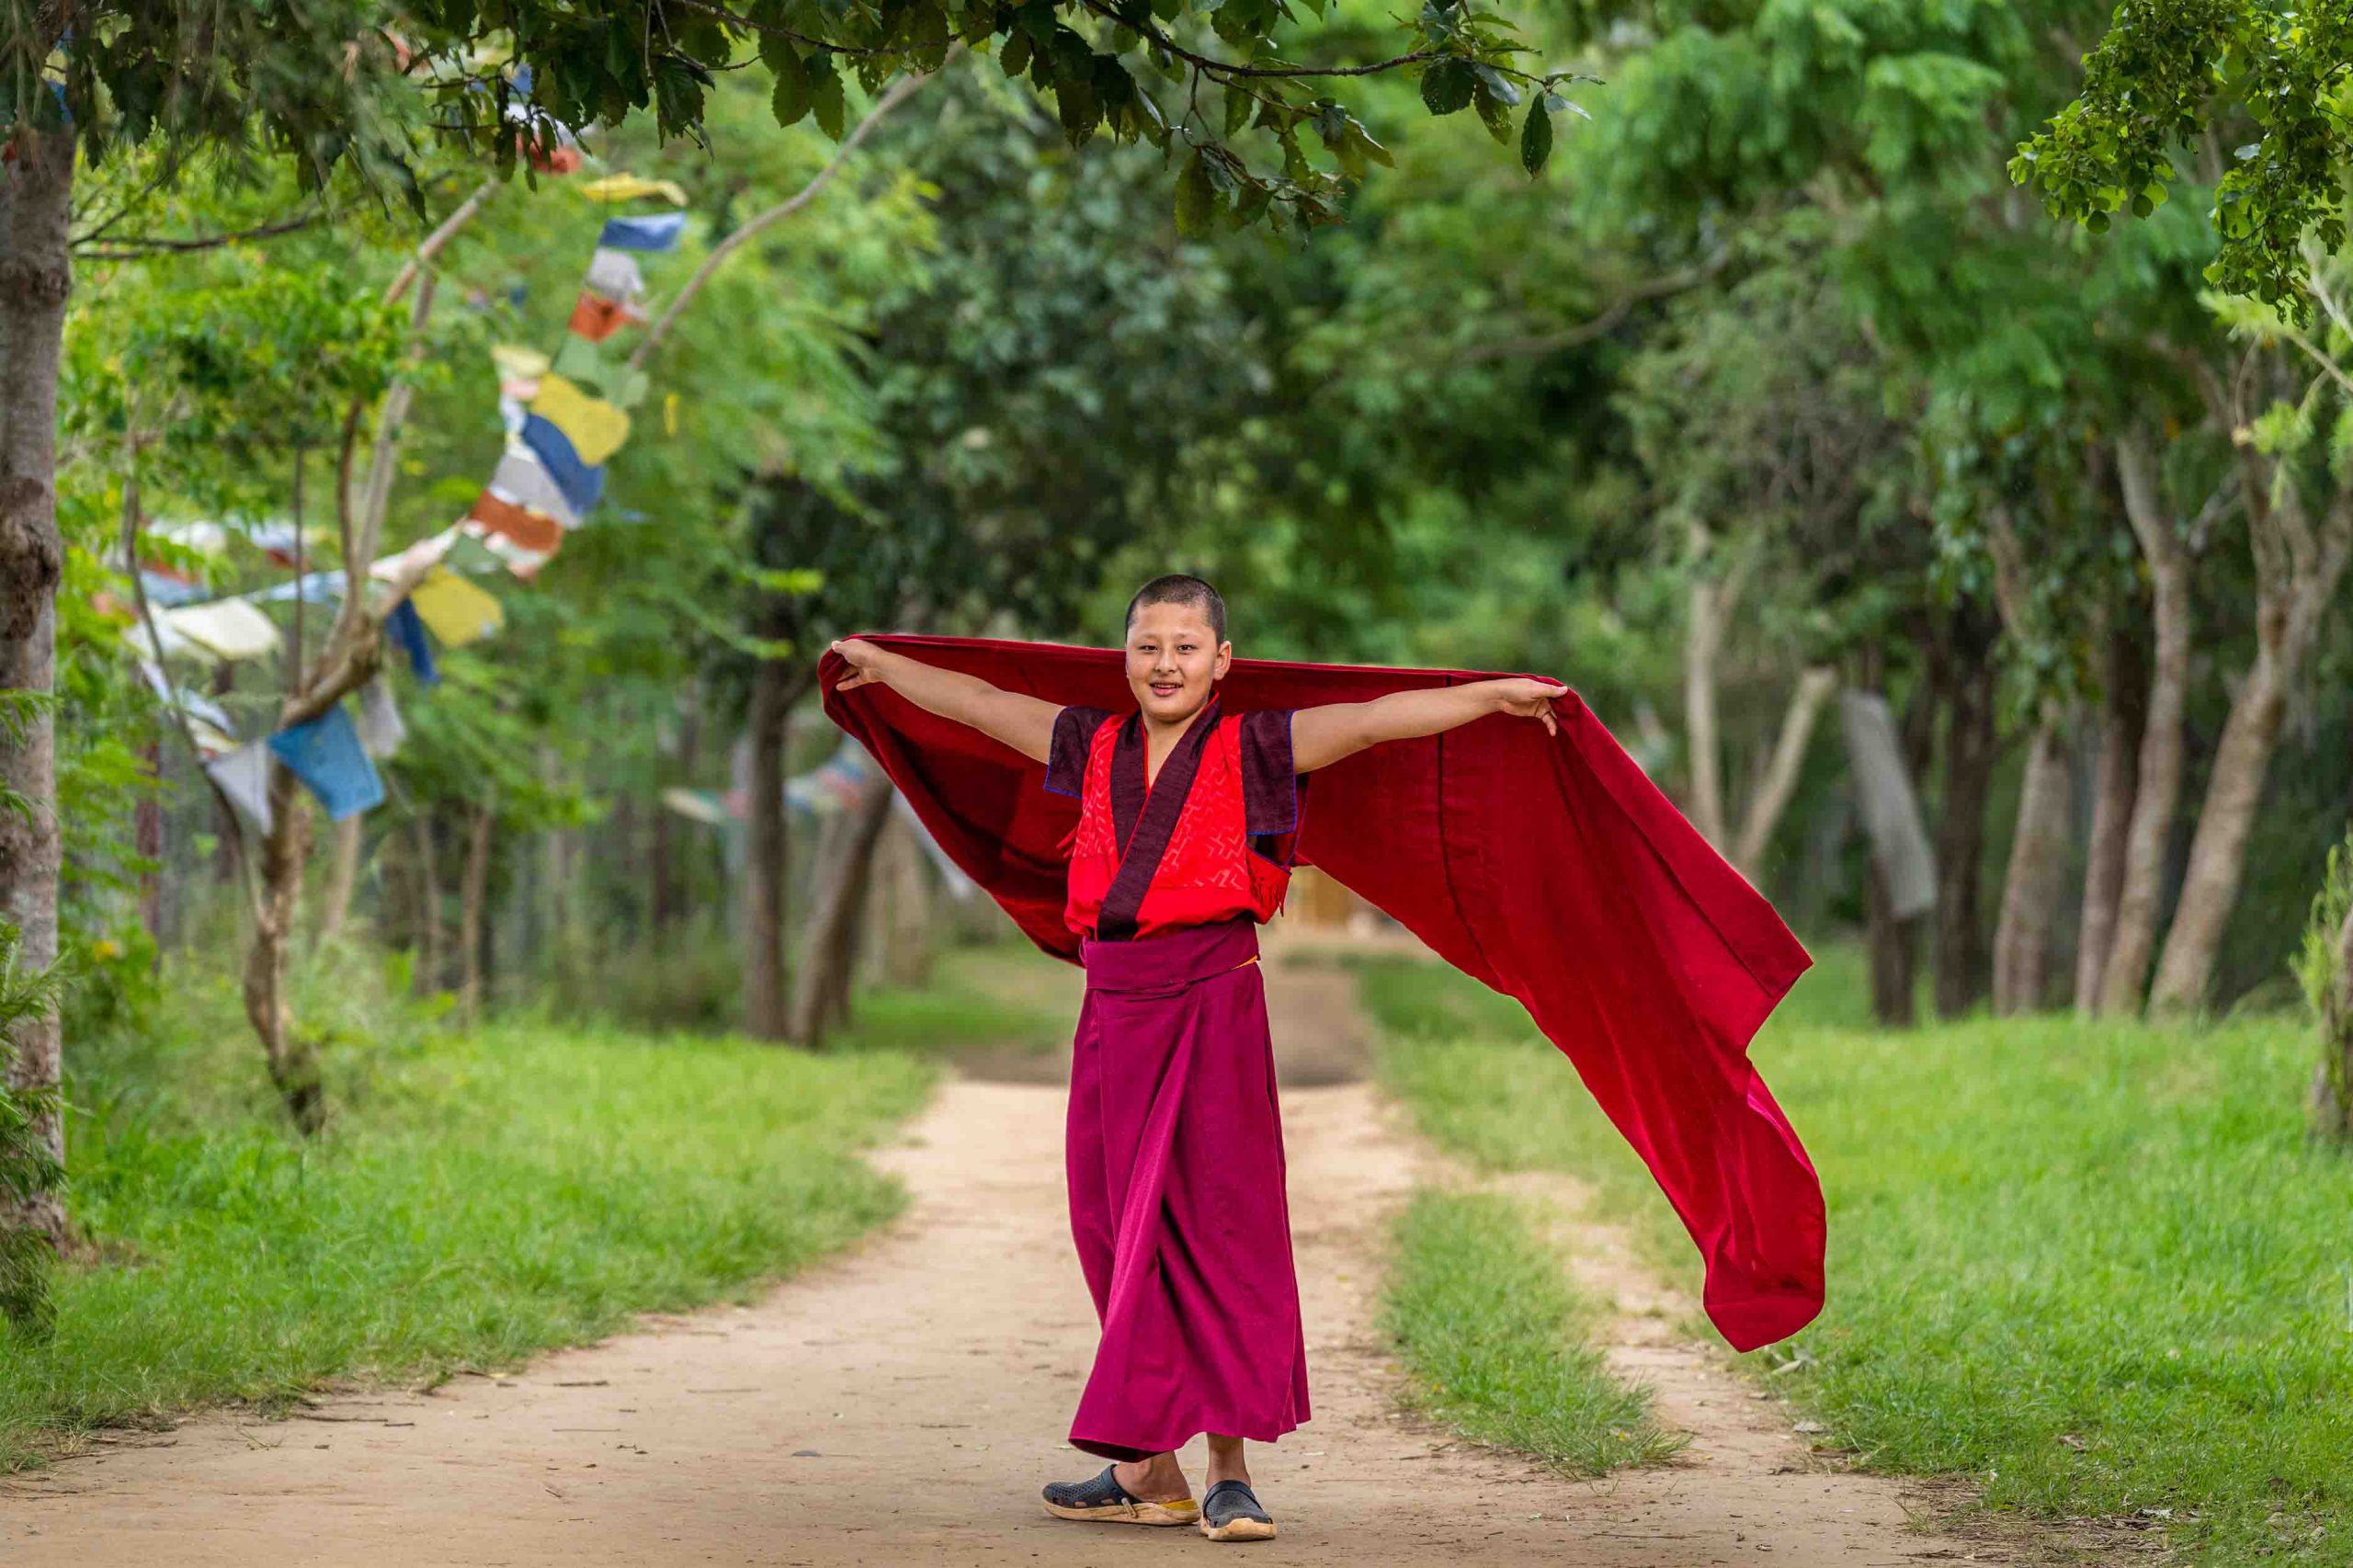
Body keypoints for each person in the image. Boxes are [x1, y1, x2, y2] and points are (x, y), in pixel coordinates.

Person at [829, 574, 1564, 1543]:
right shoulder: (1090, 745)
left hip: (1213, 1001)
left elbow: (1377, 718)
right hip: (1114, 1010)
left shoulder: (1257, 745)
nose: (1164, 663)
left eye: (1185, 646)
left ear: (1222, 661)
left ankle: (1229, 1473)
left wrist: (1485, 696)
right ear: (1124, 658)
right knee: (1112, 1224)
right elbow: (979, 704)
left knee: (1222, 1224)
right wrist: (883, 668)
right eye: (1147, 646)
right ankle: (1150, 1468)